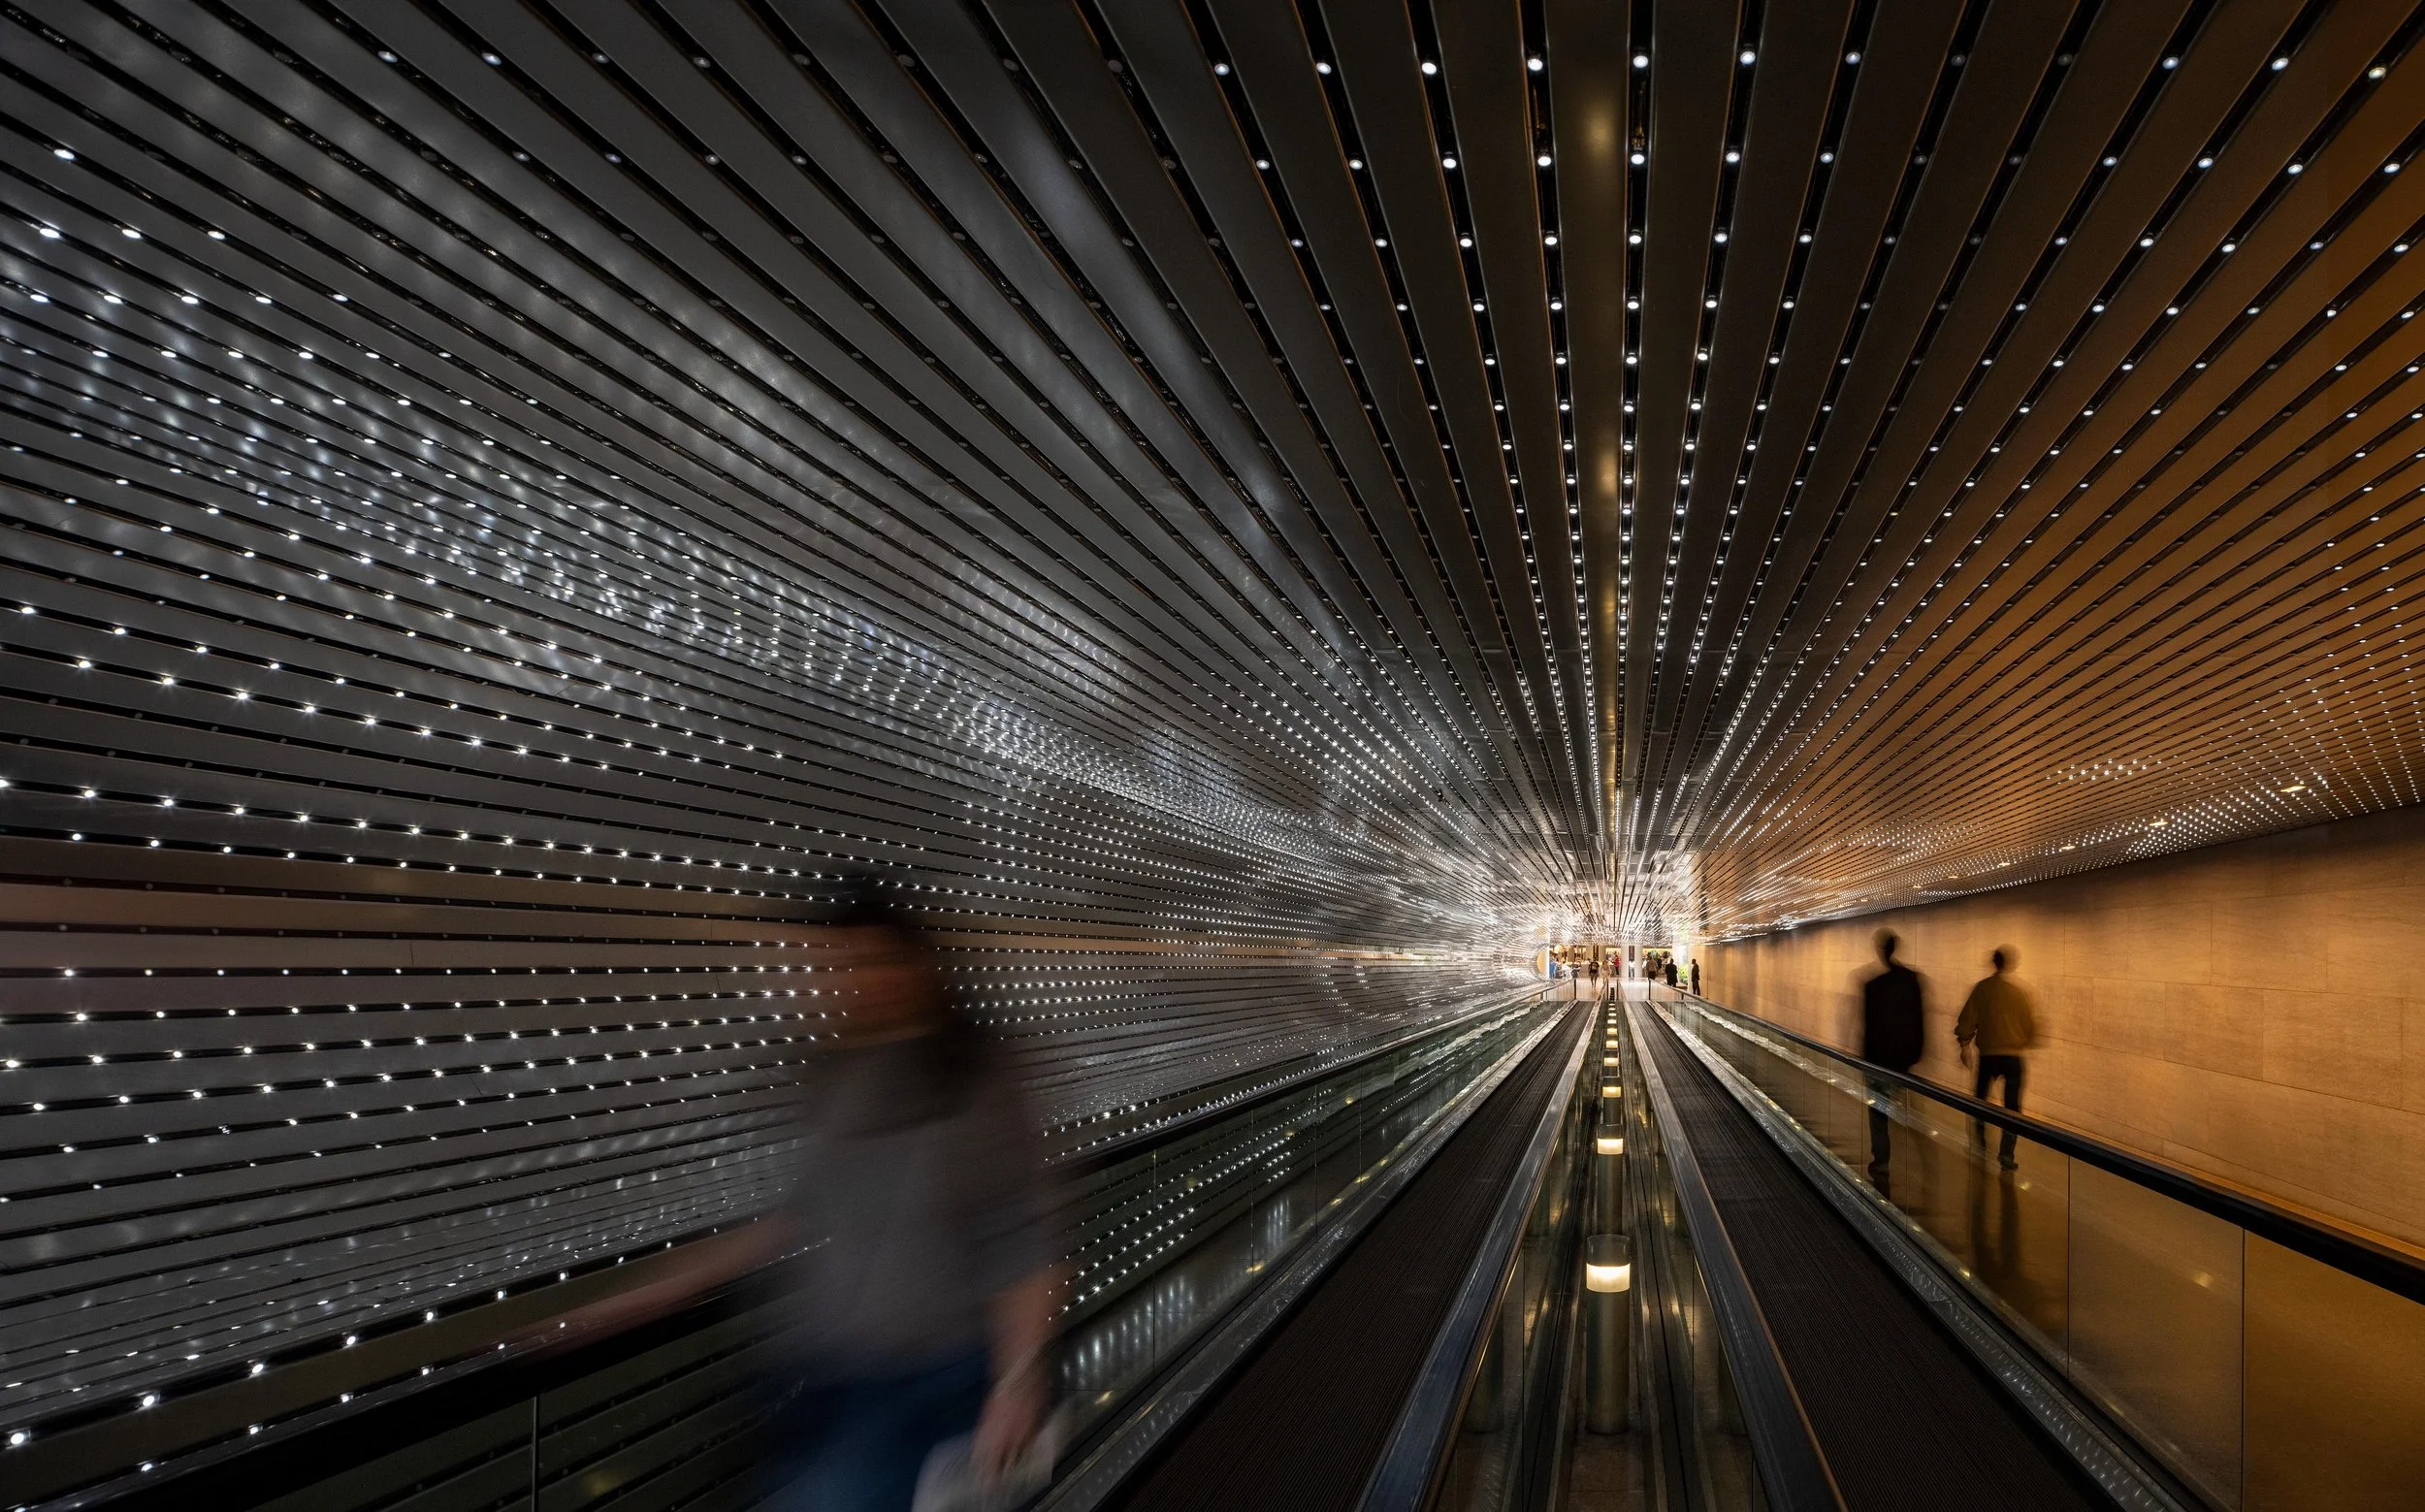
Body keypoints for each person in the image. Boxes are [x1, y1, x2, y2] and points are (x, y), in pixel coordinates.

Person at [534, 879, 1062, 1509]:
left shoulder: (973, 1075)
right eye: (842, 964)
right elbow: (784, 1220)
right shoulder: (826, 1072)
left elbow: (1023, 1240)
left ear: (916, 964)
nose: (859, 982)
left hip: (926, 1376)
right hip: (816, 1372)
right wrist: (623, 1304)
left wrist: (1016, 1380)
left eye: (875, 961)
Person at [1955, 947, 2037, 1171]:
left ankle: (1979, 1145)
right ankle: (2006, 1154)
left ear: (1993, 963)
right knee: (2012, 1108)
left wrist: (1965, 1043)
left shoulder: (1983, 989)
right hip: (2013, 1057)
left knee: (1980, 1102)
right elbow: (2031, 1028)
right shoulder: (2019, 993)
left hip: (1988, 1056)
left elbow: (1967, 1019)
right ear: (2010, 964)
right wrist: (2019, 1040)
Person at [1859, 931, 1924, 1187]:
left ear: (1880, 950)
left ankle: (1882, 1161)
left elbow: (1868, 1027)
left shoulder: (1873, 985)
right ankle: (1920, 1164)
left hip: (1877, 1062)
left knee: (1878, 1114)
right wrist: (1916, 1054)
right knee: (1904, 1110)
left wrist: (1864, 1062)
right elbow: (1919, 1021)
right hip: (1903, 1062)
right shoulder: (1912, 981)